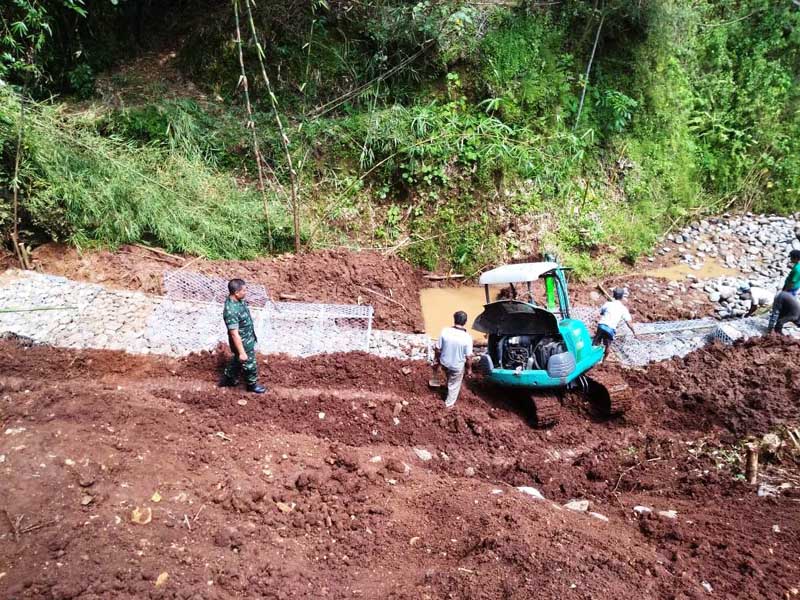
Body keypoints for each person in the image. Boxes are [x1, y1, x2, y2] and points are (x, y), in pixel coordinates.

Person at [219, 278, 266, 393]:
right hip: (242, 342)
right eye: (244, 291)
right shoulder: (231, 310)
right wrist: (242, 352)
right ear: (236, 293)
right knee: (249, 363)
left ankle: (228, 377)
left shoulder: (238, 301)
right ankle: (252, 385)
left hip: (247, 337)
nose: (246, 292)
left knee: (237, 359)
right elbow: (234, 334)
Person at [434, 311, 474, 408]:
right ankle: (448, 405)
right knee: (454, 385)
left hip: (445, 363)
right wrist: (469, 369)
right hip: (457, 366)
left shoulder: (445, 331)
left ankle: (443, 390)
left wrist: (437, 360)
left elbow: (437, 348)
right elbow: (469, 357)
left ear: (454, 319)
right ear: (465, 322)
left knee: (447, 376)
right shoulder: (467, 337)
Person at [593, 287, 637, 363]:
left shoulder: (608, 304)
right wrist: (634, 332)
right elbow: (628, 322)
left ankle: (592, 358)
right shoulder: (623, 309)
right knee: (608, 345)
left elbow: (601, 312)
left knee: (595, 342)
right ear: (622, 297)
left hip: (602, 325)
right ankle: (603, 361)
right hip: (610, 329)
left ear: (613, 295)